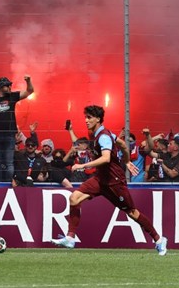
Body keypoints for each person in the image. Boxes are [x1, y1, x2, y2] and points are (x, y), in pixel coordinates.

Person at [52, 105, 166, 254]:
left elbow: (106, 158)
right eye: (86, 117)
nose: (86, 120)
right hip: (100, 179)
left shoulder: (104, 137)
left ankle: (158, 239)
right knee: (74, 198)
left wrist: (83, 165)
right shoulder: (101, 134)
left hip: (114, 181)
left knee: (132, 213)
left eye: (89, 118)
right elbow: (123, 145)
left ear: (98, 119)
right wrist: (126, 161)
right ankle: (70, 237)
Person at [0, 75, 34, 185]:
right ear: (1, 87)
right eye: (8, 85)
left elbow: (30, 91)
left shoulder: (12, 96)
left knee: (9, 162)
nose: (10, 86)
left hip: (10, 135)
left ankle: (8, 184)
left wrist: (28, 81)